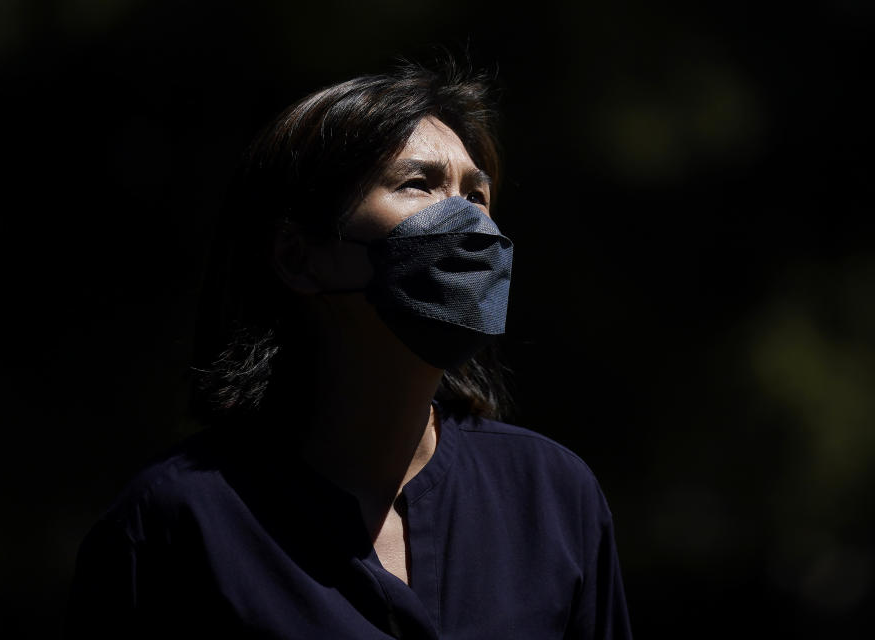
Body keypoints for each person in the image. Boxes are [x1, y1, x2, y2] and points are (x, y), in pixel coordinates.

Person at [64, 60, 632, 639]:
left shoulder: (553, 498)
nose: (468, 220)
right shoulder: (174, 524)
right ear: (297, 256)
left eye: (476, 193)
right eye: (419, 184)